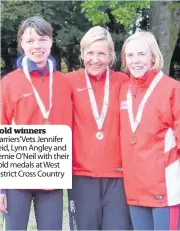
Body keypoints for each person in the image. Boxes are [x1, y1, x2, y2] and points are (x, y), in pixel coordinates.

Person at [0, 16, 72, 230]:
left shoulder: (64, 82)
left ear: (51, 41)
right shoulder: (9, 83)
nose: (37, 46)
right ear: (21, 43)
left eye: (42, 39)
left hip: (52, 175)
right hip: (17, 178)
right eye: (30, 41)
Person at [67, 26, 132, 230]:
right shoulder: (68, 82)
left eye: (102, 53)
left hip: (118, 176)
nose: (95, 59)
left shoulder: (123, 81)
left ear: (111, 55)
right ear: (82, 53)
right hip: (80, 174)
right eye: (90, 53)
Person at [119, 31, 180, 230]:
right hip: (135, 187)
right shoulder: (124, 91)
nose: (135, 61)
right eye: (130, 55)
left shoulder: (173, 89)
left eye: (141, 54)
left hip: (164, 187)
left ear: (153, 56)